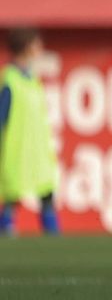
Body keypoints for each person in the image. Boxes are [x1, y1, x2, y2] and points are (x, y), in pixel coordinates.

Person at [0, 28, 60, 237]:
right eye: (37, 44)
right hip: (16, 150)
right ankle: (6, 233)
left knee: (47, 192)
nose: (40, 49)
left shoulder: (32, 78)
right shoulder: (9, 80)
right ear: (26, 47)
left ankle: (55, 242)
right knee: (11, 196)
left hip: (37, 150)